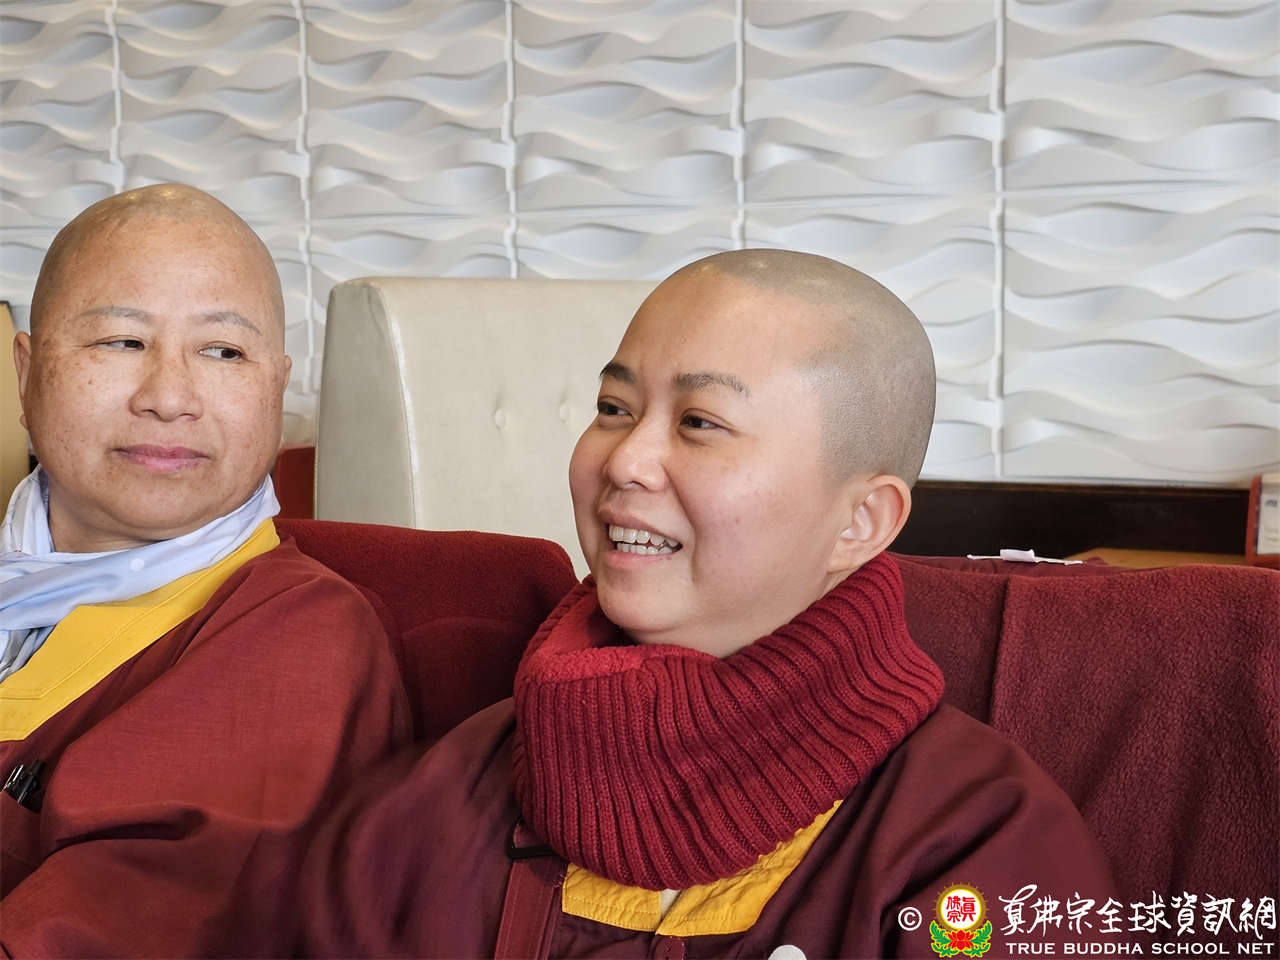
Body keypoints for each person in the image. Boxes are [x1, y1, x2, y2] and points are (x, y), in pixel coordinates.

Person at [301, 250, 1116, 958]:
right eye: (614, 409)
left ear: (860, 521)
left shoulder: (979, 845)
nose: (626, 460)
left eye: (699, 422)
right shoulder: (444, 797)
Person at [0, 184, 412, 956]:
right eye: (122, 341)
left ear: (276, 388)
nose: (169, 397)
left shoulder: (299, 639)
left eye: (223, 351)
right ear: (26, 374)